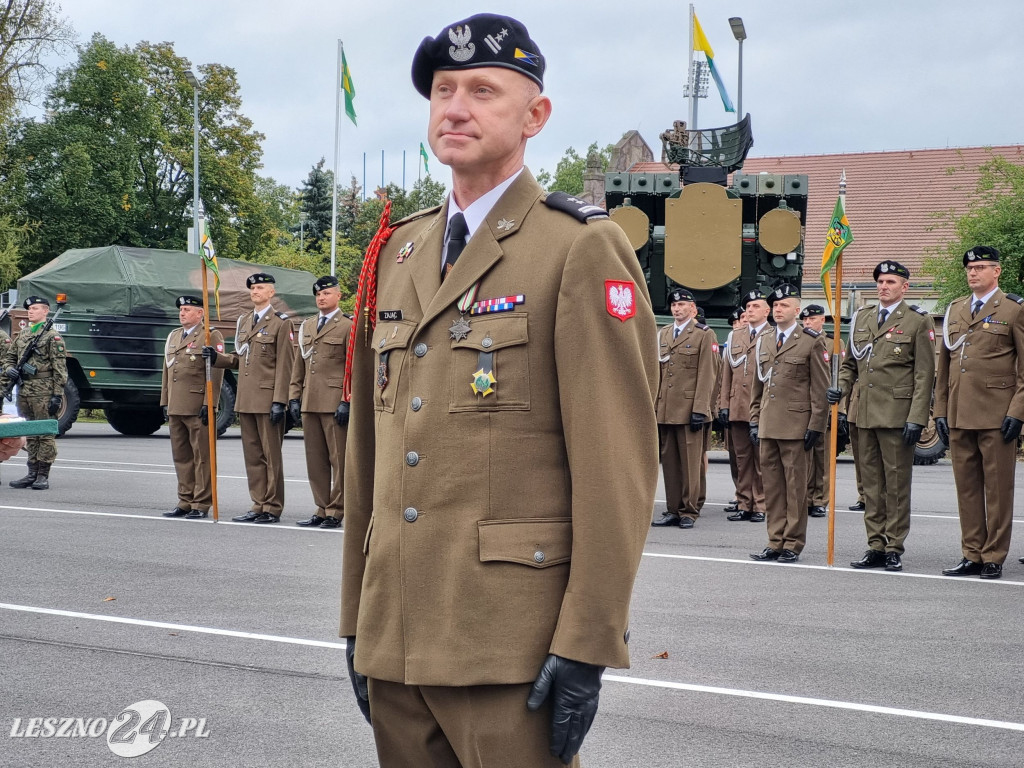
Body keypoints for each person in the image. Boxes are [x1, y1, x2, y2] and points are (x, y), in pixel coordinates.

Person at [341, 14, 659, 767]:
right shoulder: (397, 250)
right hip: (396, 637)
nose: (455, 106)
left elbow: (616, 469)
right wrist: (357, 616)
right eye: (443, 90)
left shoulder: (578, 248)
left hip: (511, 645)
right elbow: (368, 454)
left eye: (483, 90)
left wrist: (588, 640)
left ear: (534, 115)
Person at [827, 260, 935, 572]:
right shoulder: (863, 317)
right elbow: (850, 364)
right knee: (871, 485)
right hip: (865, 414)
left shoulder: (917, 320)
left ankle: (894, 546)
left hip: (897, 415)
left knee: (897, 484)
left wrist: (917, 417)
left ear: (905, 287)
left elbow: (924, 374)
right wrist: (841, 388)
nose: (883, 287)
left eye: (890, 282)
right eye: (880, 282)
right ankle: (875, 544)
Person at [935, 246, 1024, 580]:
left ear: (997, 271)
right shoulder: (956, 309)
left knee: (998, 490)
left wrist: (1017, 412)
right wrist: (940, 411)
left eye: (981, 267)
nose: (973, 273)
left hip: (996, 414)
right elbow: (943, 368)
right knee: (967, 488)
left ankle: (994, 555)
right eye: (969, 268)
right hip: (959, 414)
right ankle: (971, 553)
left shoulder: (1013, 309)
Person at [748, 284, 829, 563]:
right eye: (776, 305)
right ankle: (774, 540)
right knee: (772, 486)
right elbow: (758, 385)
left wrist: (816, 425)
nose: (779, 309)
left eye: (785, 305)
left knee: (795, 489)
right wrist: (754, 419)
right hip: (769, 424)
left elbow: (820, 388)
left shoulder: (811, 340)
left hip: (797, 425)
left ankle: (793, 542)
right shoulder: (765, 340)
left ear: (797, 310)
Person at [205, 273, 292, 524]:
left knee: (271, 456)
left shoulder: (280, 323)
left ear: (271, 293)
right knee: (253, 455)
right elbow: (239, 358)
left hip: (268, 399)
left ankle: (272, 507)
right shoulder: (244, 321)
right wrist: (217, 358)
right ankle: (258, 503)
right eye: (252, 288)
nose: (255, 291)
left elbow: (286, 366)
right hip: (246, 398)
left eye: (260, 287)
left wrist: (280, 401)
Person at [288, 275, 351, 529]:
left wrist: (347, 399)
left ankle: (337, 510)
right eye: (318, 295)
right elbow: (299, 366)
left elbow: (352, 368)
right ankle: (322, 507)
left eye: (326, 293)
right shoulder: (308, 325)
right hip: (310, 401)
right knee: (315, 460)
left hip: (334, 402)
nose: (321, 298)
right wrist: (293, 396)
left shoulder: (347, 326)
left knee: (339, 460)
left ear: (338, 296)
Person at [652, 287, 718, 530]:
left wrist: (700, 409)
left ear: (692, 308)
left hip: (690, 408)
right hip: (666, 408)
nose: (677, 309)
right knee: (670, 463)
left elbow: (707, 374)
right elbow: (658, 372)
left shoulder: (703, 334)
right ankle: (672, 508)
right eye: (674, 306)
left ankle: (689, 510)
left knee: (691, 463)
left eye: (682, 305)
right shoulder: (664, 333)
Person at [160, 296, 225, 519]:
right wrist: (165, 401)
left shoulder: (209, 335)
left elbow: (216, 372)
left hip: (197, 405)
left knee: (202, 457)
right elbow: (168, 372)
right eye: (181, 309)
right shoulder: (174, 336)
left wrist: (210, 403)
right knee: (181, 456)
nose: (182, 313)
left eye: (187, 309)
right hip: (176, 405)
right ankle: (185, 500)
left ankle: (201, 502)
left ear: (200, 313)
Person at [2, 296, 67, 490]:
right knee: (30, 433)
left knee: (44, 433)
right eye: (29, 309)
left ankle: (42, 474)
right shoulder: (23, 335)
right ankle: (31, 472)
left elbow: (60, 369)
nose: (31, 311)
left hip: (44, 390)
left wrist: (57, 395)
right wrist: (8, 369)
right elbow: (9, 358)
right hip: (25, 390)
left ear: (46, 311)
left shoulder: (52, 336)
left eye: (36, 308)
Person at [717, 290, 771, 524]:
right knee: (742, 458)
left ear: (767, 310)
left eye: (756, 306)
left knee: (761, 459)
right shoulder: (735, 336)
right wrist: (724, 404)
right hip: (738, 406)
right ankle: (743, 502)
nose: (750, 310)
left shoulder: (773, 334)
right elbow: (726, 373)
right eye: (748, 306)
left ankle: (760, 503)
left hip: (763, 408)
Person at [800, 304, 830, 519]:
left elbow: (836, 378)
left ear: (823, 320)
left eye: (813, 319)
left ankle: (819, 499)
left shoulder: (832, 342)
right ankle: (806, 496)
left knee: (822, 456)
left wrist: (839, 411)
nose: (808, 322)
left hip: (824, 406)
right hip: (803, 408)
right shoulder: (801, 340)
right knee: (805, 456)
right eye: (806, 320)